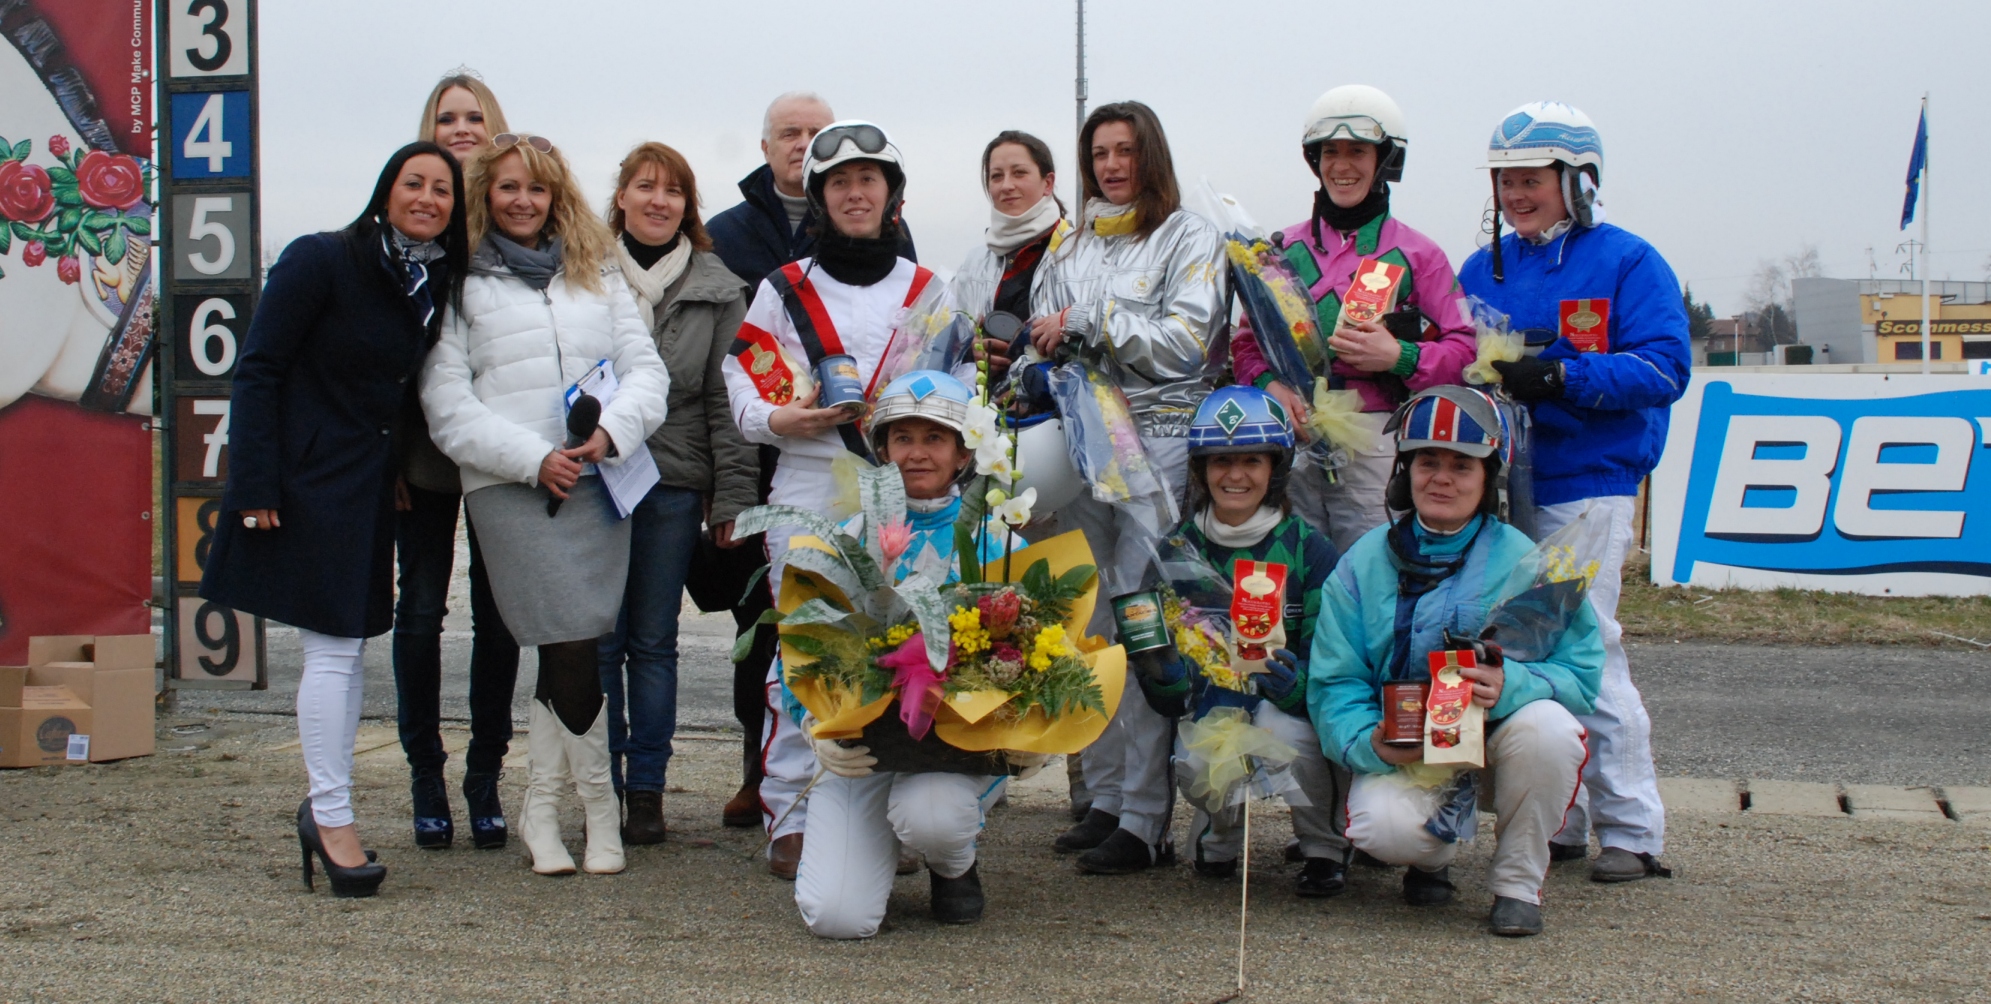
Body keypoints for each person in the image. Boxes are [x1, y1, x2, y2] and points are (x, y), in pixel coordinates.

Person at [201, 142, 470, 898]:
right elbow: (258, 368)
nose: (426, 198)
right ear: (385, 191)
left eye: (442, 190)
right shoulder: (321, 258)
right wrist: (253, 481)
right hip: (304, 479)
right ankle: (331, 817)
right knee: (333, 649)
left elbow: (392, 392)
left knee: (349, 646)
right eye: (413, 183)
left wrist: (394, 475)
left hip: (368, 487)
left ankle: (329, 811)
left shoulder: (435, 280)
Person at [420, 132, 669, 877]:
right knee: (564, 637)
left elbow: (644, 371)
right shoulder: (459, 282)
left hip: (599, 481)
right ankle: (598, 812)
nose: (522, 201)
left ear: (556, 194)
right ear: (484, 197)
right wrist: (533, 459)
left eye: (536, 188)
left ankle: (541, 810)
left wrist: (611, 435)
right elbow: (446, 401)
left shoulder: (595, 272)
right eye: (506, 188)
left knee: (577, 638)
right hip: (514, 486)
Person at [1457, 101, 1686, 883]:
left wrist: (1558, 375)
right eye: (1505, 181)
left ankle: (1631, 828)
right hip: (1501, 490)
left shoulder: (1627, 261)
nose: (1516, 195)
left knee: (1588, 645)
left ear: (1577, 181)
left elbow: (1664, 368)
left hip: (1585, 483)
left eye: (1531, 180)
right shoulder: (1481, 267)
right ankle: (1564, 819)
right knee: (1518, 649)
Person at [720, 120, 936, 879]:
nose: (854, 193)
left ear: (892, 197)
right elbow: (740, 384)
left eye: (867, 181)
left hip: (900, 494)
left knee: (898, 650)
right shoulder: (782, 289)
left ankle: (889, 813)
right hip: (808, 484)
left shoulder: (926, 290)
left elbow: (957, 391)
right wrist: (783, 419)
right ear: (818, 198)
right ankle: (792, 810)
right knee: (801, 652)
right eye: (838, 183)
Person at [1308, 386, 1603, 936]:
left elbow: (1581, 676)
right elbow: (1334, 682)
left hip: (1498, 745)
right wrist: (1364, 741)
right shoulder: (1361, 562)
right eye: (1428, 461)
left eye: (1462, 465)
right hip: (1408, 746)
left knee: (1551, 731)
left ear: (1489, 478)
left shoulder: (1530, 560)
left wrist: (1508, 684)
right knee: (1379, 830)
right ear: (1403, 471)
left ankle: (1517, 884)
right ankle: (1431, 858)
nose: (1442, 478)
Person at [1032, 100, 1227, 874]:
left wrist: (1091, 320)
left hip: (1156, 449)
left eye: (1125, 151)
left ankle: (1147, 820)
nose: (1112, 166)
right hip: (1077, 446)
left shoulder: (1191, 235)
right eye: (1099, 154)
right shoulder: (1069, 241)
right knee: (1091, 626)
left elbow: (1185, 342)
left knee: (1146, 620)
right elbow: (1046, 331)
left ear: (1151, 156)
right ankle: (1107, 798)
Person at [791, 370, 1036, 939]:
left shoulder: (999, 544)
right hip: (865, 746)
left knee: (931, 817)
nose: (917, 454)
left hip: (955, 746)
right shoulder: (846, 537)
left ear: (962, 454)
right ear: (881, 449)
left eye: (934, 439)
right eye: (903, 438)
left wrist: (1030, 732)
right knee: (838, 918)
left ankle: (953, 864)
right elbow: (799, 647)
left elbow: (1043, 654)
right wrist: (816, 724)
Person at [1229, 85, 1475, 553]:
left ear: (1384, 160)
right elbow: (1245, 342)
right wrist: (1268, 386)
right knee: (1294, 569)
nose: (1342, 166)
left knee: (1369, 569)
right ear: (1314, 160)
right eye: (1330, 152)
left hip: (1374, 442)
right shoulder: (1278, 251)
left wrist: (1400, 356)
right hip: (1293, 434)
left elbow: (1465, 352)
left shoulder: (1422, 255)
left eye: (1357, 151)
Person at [594, 142, 755, 845]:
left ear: (689, 208)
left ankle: (647, 790)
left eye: (674, 191)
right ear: (621, 197)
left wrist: (732, 501)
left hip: (672, 484)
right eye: (644, 186)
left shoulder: (720, 287)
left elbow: (727, 403)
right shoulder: (583, 273)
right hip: (594, 479)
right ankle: (598, 782)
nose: (658, 200)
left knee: (653, 642)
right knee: (598, 638)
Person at [1139, 386, 1349, 896]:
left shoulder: (1309, 549)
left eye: (1252, 460)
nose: (1235, 476)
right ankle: (1220, 837)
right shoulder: (1173, 551)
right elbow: (1157, 671)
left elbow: (1334, 651)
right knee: (1198, 753)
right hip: (1211, 707)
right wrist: (1163, 677)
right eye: (1220, 461)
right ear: (1201, 469)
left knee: (1289, 732)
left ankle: (1323, 846)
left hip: (1286, 705)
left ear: (1276, 468)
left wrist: (1299, 686)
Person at [393, 69, 523, 853]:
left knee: (499, 618)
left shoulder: (515, 212)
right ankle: (423, 775)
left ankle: (484, 777)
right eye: (448, 117)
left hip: (502, 448)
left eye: (476, 116)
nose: (463, 128)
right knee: (419, 613)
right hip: (419, 452)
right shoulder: (412, 213)